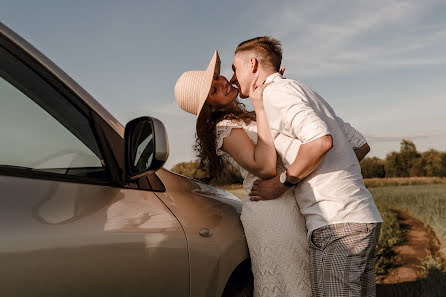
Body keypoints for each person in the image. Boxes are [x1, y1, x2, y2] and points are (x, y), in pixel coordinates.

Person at [230, 36, 383, 297]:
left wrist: (284, 183)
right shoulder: (302, 89)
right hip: (361, 217)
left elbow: (320, 141)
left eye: (235, 69)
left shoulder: (275, 93)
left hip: (337, 225)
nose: (233, 78)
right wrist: (326, 175)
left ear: (252, 64)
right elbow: (359, 145)